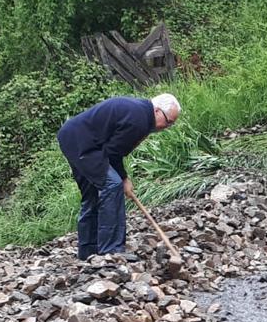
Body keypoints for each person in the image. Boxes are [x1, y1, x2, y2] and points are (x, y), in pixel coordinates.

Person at [56, 93, 181, 260]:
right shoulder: (139, 121)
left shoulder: (139, 112)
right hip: (84, 144)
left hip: (72, 137)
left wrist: (122, 177)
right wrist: (123, 178)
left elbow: (111, 150)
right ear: (157, 111)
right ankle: (111, 251)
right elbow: (112, 153)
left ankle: (88, 254)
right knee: (112, 185)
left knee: (92, 195)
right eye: (168, 121)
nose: (167, 127)